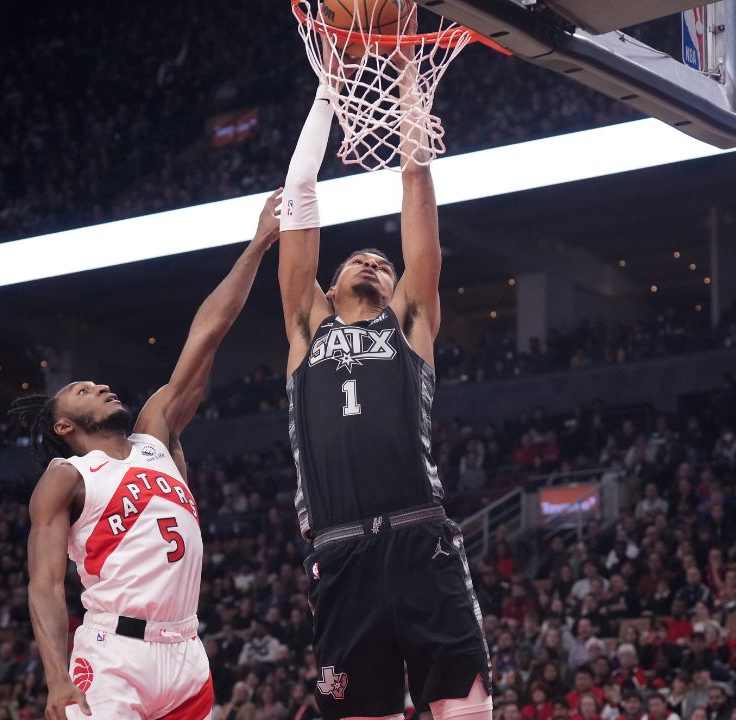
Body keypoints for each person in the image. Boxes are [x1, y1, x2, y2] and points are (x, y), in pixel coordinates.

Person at [276, 22, 492, 719]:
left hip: (420, 536)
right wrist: (328, 89)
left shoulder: (411, 326)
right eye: (358, 258)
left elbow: (415, 189)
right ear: (329, 285)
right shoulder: (307, 328)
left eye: (385, 262)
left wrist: (405, 79)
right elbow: (299, 189)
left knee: (465, 707)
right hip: (341, 552)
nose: (375, 260)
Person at [19, 192, 282, 720]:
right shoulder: (66, 477)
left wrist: (259, 243)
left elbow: (207, 335)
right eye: (82, 389)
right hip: (114, 655)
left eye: (98, 382)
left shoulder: (154, 438)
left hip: (186, 653)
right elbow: (44, 584)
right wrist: (55, 678)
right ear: (62, 424)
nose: (100, 386)